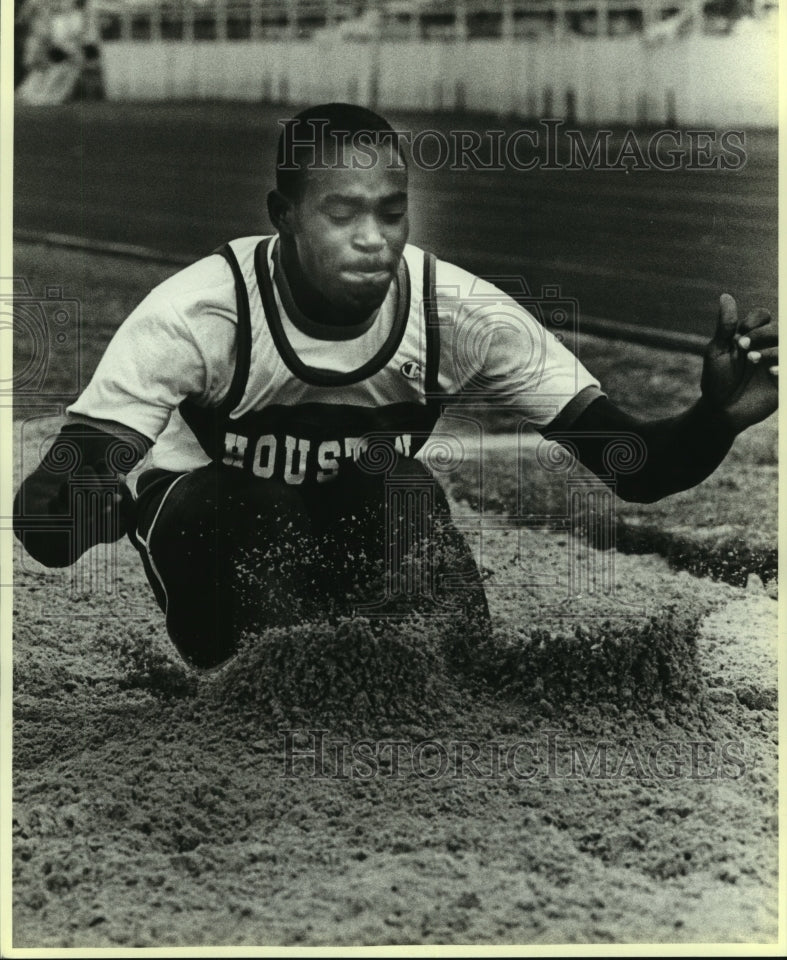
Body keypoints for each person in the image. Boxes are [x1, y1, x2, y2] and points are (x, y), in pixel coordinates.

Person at [13, 103, 778, 671]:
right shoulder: (198, 314)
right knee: (259, 505)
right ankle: (257, 679)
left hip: (355, 520)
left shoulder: (460, 314)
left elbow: (634, 466)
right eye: (341, 213)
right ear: (284, 217)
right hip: (220, 531)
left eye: (390, 212)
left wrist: (715, 416)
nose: (372, 239)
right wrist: (92, 512)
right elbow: (42, 515)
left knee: (404, 497)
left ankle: (404, 675)